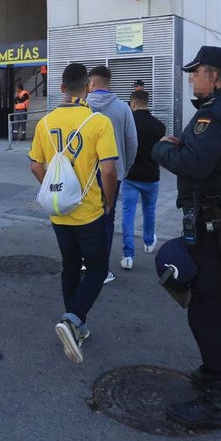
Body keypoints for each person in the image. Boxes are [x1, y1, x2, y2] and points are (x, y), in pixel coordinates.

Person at [151, 46, 221, 429]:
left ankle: (216, 398)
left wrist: (162, 148)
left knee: (209, 307)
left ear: (214, 76)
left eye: (196, 72)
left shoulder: (212, 115)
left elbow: (194, 165)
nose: (192, 78)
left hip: (213, 220)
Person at [29, 63, 119, 363]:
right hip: (89, 211)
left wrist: (54, 188)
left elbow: (35, 165)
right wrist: (108, 202)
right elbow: (109, 170)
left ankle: (75, 325)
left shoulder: (45, 122)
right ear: (88, 88)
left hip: (58, 212)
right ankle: (72, 319)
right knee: (97, 269)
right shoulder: (98, 122)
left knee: (70, 267)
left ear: (62, 88)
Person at [87, 65, 138, 284]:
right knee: (107, 219)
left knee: (85, 218)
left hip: (85, 174)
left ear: (92, 83)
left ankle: (85, 261)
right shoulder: (123, 108)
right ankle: (102, 269)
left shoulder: (83, 105)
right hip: (112, 173)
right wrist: (125, 168)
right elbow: (132, 142)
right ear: (108, 82)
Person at [120, 89, 165, 270]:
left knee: (128, 213)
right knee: (149, 209)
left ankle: (128, 255)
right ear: (147, 103)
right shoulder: (159, 126)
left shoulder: (127, 124)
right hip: (151, 176)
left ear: (133, 103)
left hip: (130, 176)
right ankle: (148, 241)